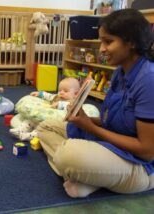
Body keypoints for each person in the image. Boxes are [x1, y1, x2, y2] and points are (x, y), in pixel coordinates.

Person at [36, 8, 154, 198]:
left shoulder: (149, 79)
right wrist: (86, 119)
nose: (101, 49)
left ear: (131, 42)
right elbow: (113, 121)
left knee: (68, 154)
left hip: (140, 166)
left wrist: (91, 128)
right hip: (114, 145)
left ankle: (85, 174)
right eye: (101, 41)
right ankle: (88, 177)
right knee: (45, 127)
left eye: (108, 41)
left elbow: (147, 151)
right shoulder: (119, 72)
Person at [10, 77, 83, 141]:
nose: (61, 93)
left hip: (53, 122)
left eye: (66, 91)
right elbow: (49, 96)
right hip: (44, 116)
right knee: (31, 120)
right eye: (60, 90)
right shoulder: (57, 97)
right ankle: (20, 130)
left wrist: (59, 104)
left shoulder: (73, 102)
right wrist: (40, 94)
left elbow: (69, 106)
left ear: (76, 94)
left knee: (42, 130)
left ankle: (27, 136)